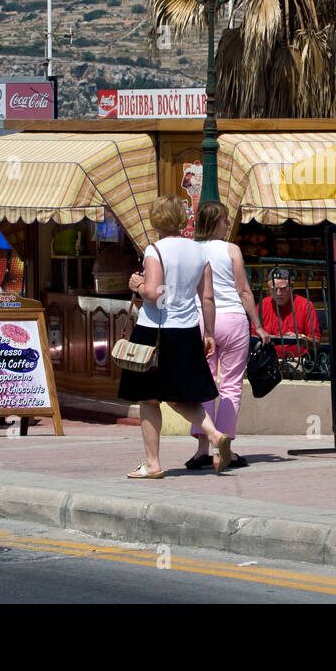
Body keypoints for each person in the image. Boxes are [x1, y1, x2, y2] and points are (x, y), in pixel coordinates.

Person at [118, 195, 234, 477]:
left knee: (148, 398)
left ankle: (152, 463)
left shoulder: (155, 250)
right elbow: (207, 296)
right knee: (180, 397)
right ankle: (216, 435)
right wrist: (208, 332)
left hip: (154, 330)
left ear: (157, 219)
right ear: (181, 219)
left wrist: (138, 284)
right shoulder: (198, 251)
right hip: (187, 331)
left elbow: (156, 293)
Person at [184, 200, 270, 471]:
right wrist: (258, 324)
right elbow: (244, 291)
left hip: (201, 320)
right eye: (224, 220)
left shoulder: (191, 250)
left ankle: (202, 449)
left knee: (205, 384)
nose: (227, 224)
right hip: (232, 319)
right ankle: (226, 449)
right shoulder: (231, 249)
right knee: (231, 384)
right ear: (215, 222)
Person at [261, 267, 321, 362]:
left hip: (295, 359)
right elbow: (252, 336)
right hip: (266, 358)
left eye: (283, 289)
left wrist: (299, 337)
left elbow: (316, 343)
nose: (278, 293)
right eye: (274, 289)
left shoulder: (305, 305)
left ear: (292, 287)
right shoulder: (263, 304)